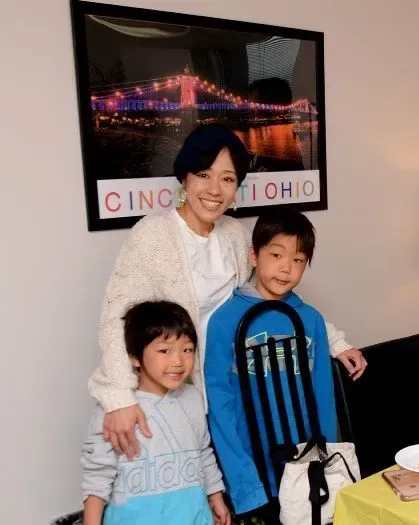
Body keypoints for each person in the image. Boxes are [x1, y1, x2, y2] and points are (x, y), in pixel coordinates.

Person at [88, 124, 365, 460]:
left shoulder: (233, 235)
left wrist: (334, 341)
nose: (214, 189)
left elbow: (270, 293)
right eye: (204, 175)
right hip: (176, 387)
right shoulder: (153, 235)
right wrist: (119, 397)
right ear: (185, 178)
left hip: (233, 386)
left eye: (227, 179)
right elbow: (118, 316)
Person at [204, 208, 336, 523]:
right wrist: (242, 479)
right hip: (253, 462)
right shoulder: (225, 321)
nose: (286, 268)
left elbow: (324, 397)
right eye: (276, 254)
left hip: (306, 461)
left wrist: (328, 461)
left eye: (298, 260)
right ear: (254, 254)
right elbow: (219, 404)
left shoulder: (312, 319)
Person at [82, 301, 230, 525]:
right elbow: (98, 475)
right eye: (164, 350)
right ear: (134, 357)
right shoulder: (116, 411)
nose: (178, 361)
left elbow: (202, 452)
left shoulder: (193, 398)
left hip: (194, 517)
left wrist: (215, 496)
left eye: (187, 350)